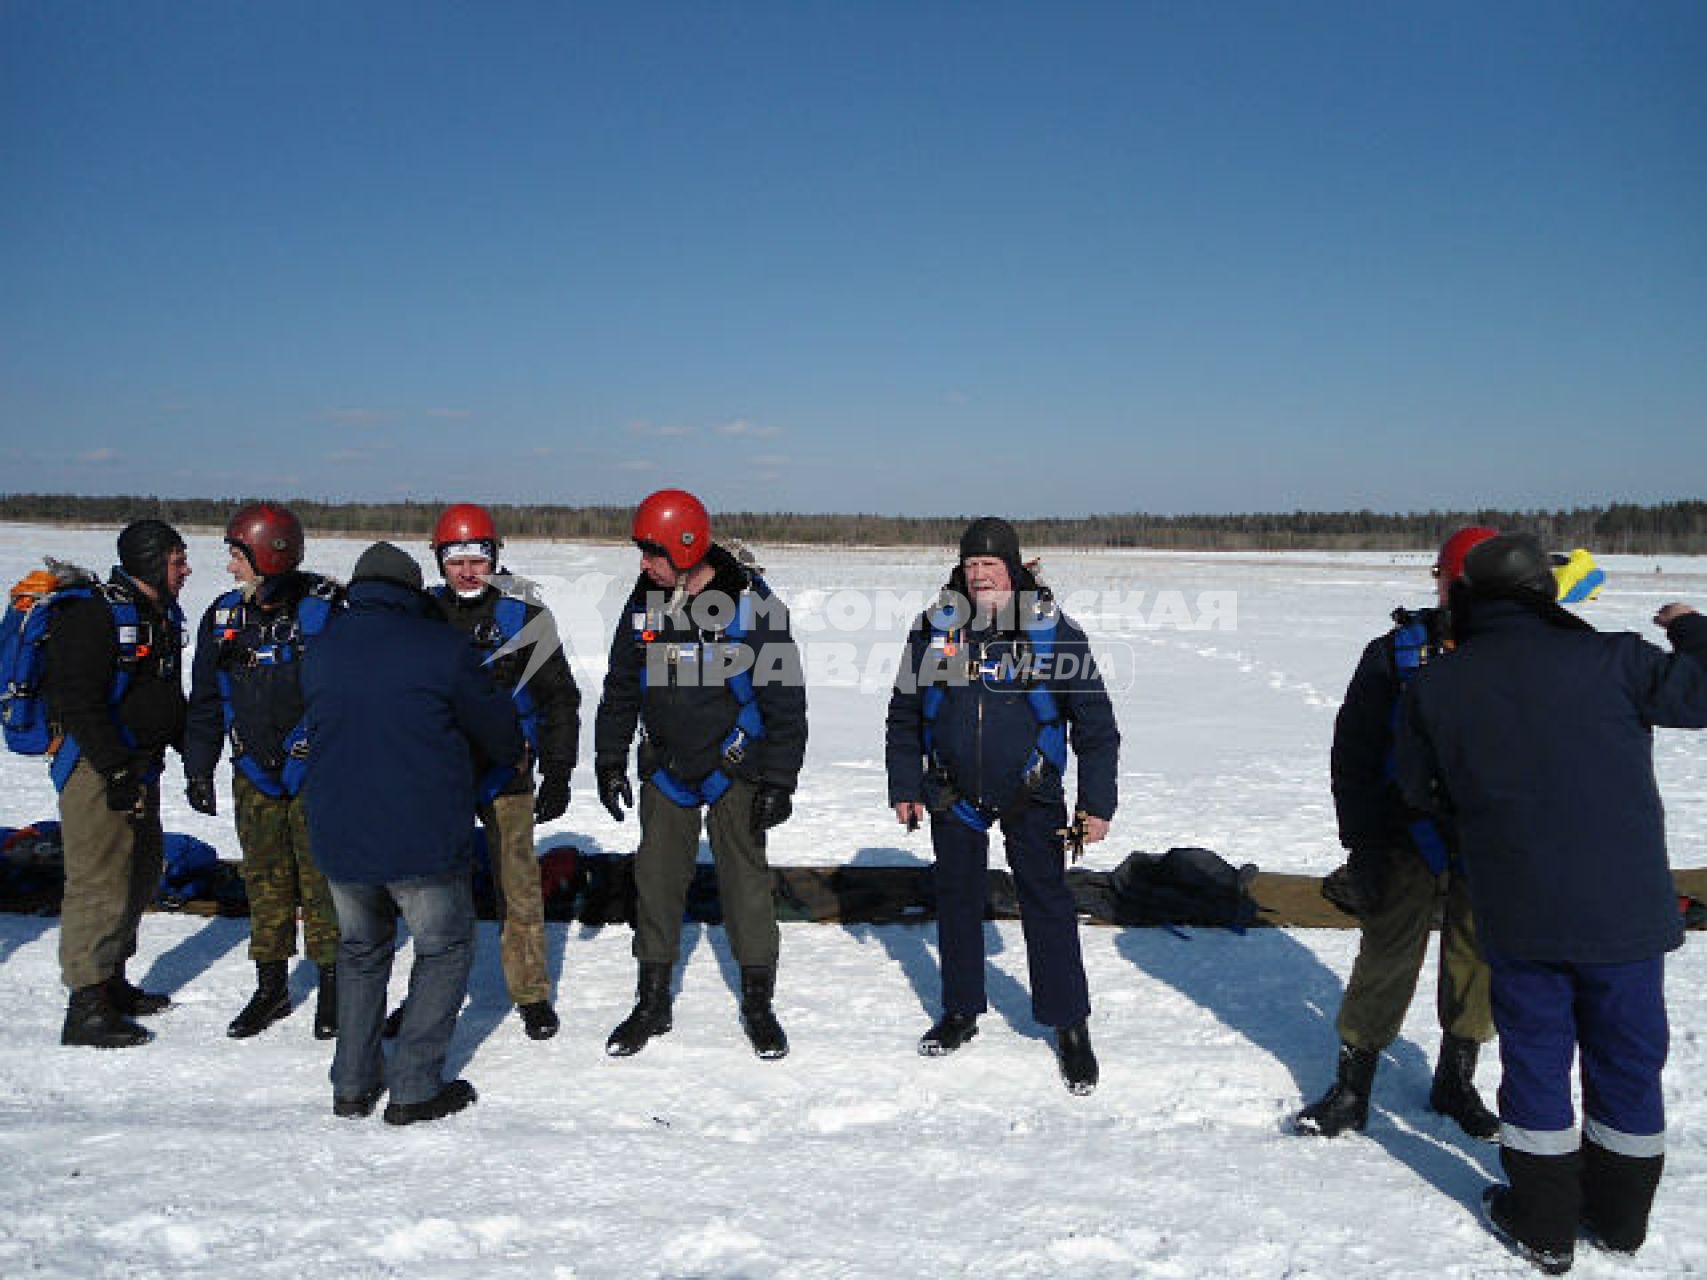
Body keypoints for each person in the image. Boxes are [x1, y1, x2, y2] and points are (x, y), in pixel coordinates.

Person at [1398, 533, 1707, 1274]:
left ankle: (1542, 1225)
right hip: (1624, 911)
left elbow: (1417, 789)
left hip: (1519, 909)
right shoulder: (1618, 661)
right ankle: (1620, 1220)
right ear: (1547, 590)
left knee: (1536, 1057)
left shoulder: (1438, 684)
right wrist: (1691, 626)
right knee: (1627, 1056)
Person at [885, 516, 1119, 1095]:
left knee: (1048, 904)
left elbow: (1096, 726)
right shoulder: (936, 629)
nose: (980, 575)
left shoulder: (1053, 633)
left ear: (1012, 569)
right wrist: (905, 784)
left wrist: (1097, 802)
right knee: (957, 900)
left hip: (1032, 791)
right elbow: (904, 712)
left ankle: (1069, 1025)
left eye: (990, 565)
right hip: (952, 790)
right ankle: (961, 1010)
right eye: (971, 566)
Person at [301, 542, 523, 1125]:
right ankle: (415, 1087)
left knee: (360, 952)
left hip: (339, 836)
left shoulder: (321, 650)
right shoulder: (443, 649)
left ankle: (351, 1084)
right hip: (420, 837)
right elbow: (497, 731)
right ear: (412, 590)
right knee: (443, 949)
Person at [1292, 526, 1501, 1140]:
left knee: (1477, 959)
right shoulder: (1394, 654)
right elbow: (1353, 753)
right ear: (1438, 581)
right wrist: (1361, 843)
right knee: (1386, 956)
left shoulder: (1521, 656)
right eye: (1453, 581)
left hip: (1488, 841)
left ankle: (1457, 1080)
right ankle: (1352, 1088)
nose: (1460, 593)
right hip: (1404, 837)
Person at [593, 488, 807, 1060]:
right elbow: (620, 685)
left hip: (736, 769)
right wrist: (610, 759)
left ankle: (759, 1004)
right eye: (641, 551)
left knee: (746, 886)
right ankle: (652, 1000)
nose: (643, 564)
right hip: (666, 768)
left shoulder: (754, 606)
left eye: (652, 552)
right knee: (656, 883)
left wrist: (780, 780)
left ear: (687, 548)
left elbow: (785, 699)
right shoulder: (645, 602)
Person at [183, 503, 342, 1040]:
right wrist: (198, 767)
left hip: (315, 771)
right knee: (265, 881)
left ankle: (335, 988)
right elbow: (206, 697)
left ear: (268, 555)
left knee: (323, 882)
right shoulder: (225, 616)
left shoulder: (324, 610)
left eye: (237, 556)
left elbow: (344, 693)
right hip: (252, 769)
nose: (230, 568)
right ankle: (270, 985)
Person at [427, 502, 581, 1041]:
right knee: (436, 895)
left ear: (496, 558)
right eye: (455, 560)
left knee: (519, 890)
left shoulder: (522, 618)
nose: (468, 571)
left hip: (508, 777)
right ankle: (432, 995)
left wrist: (559, 768)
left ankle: (531, 993)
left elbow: (560, 697)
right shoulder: (421, 617)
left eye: (479, 558)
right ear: (438, 561)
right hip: (440, 781)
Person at [47, 519, 190, 1047]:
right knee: (98, 882)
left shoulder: (159, 613)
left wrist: (187, 750)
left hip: (137, 767)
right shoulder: (92, 614)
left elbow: (162, 693)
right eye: (178, 560)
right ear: (151, 560)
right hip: (97, 769)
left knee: (140, 873)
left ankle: (112, 981)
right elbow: (76, 700)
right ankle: (85, 1005)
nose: (186, 569)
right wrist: (115, 769)